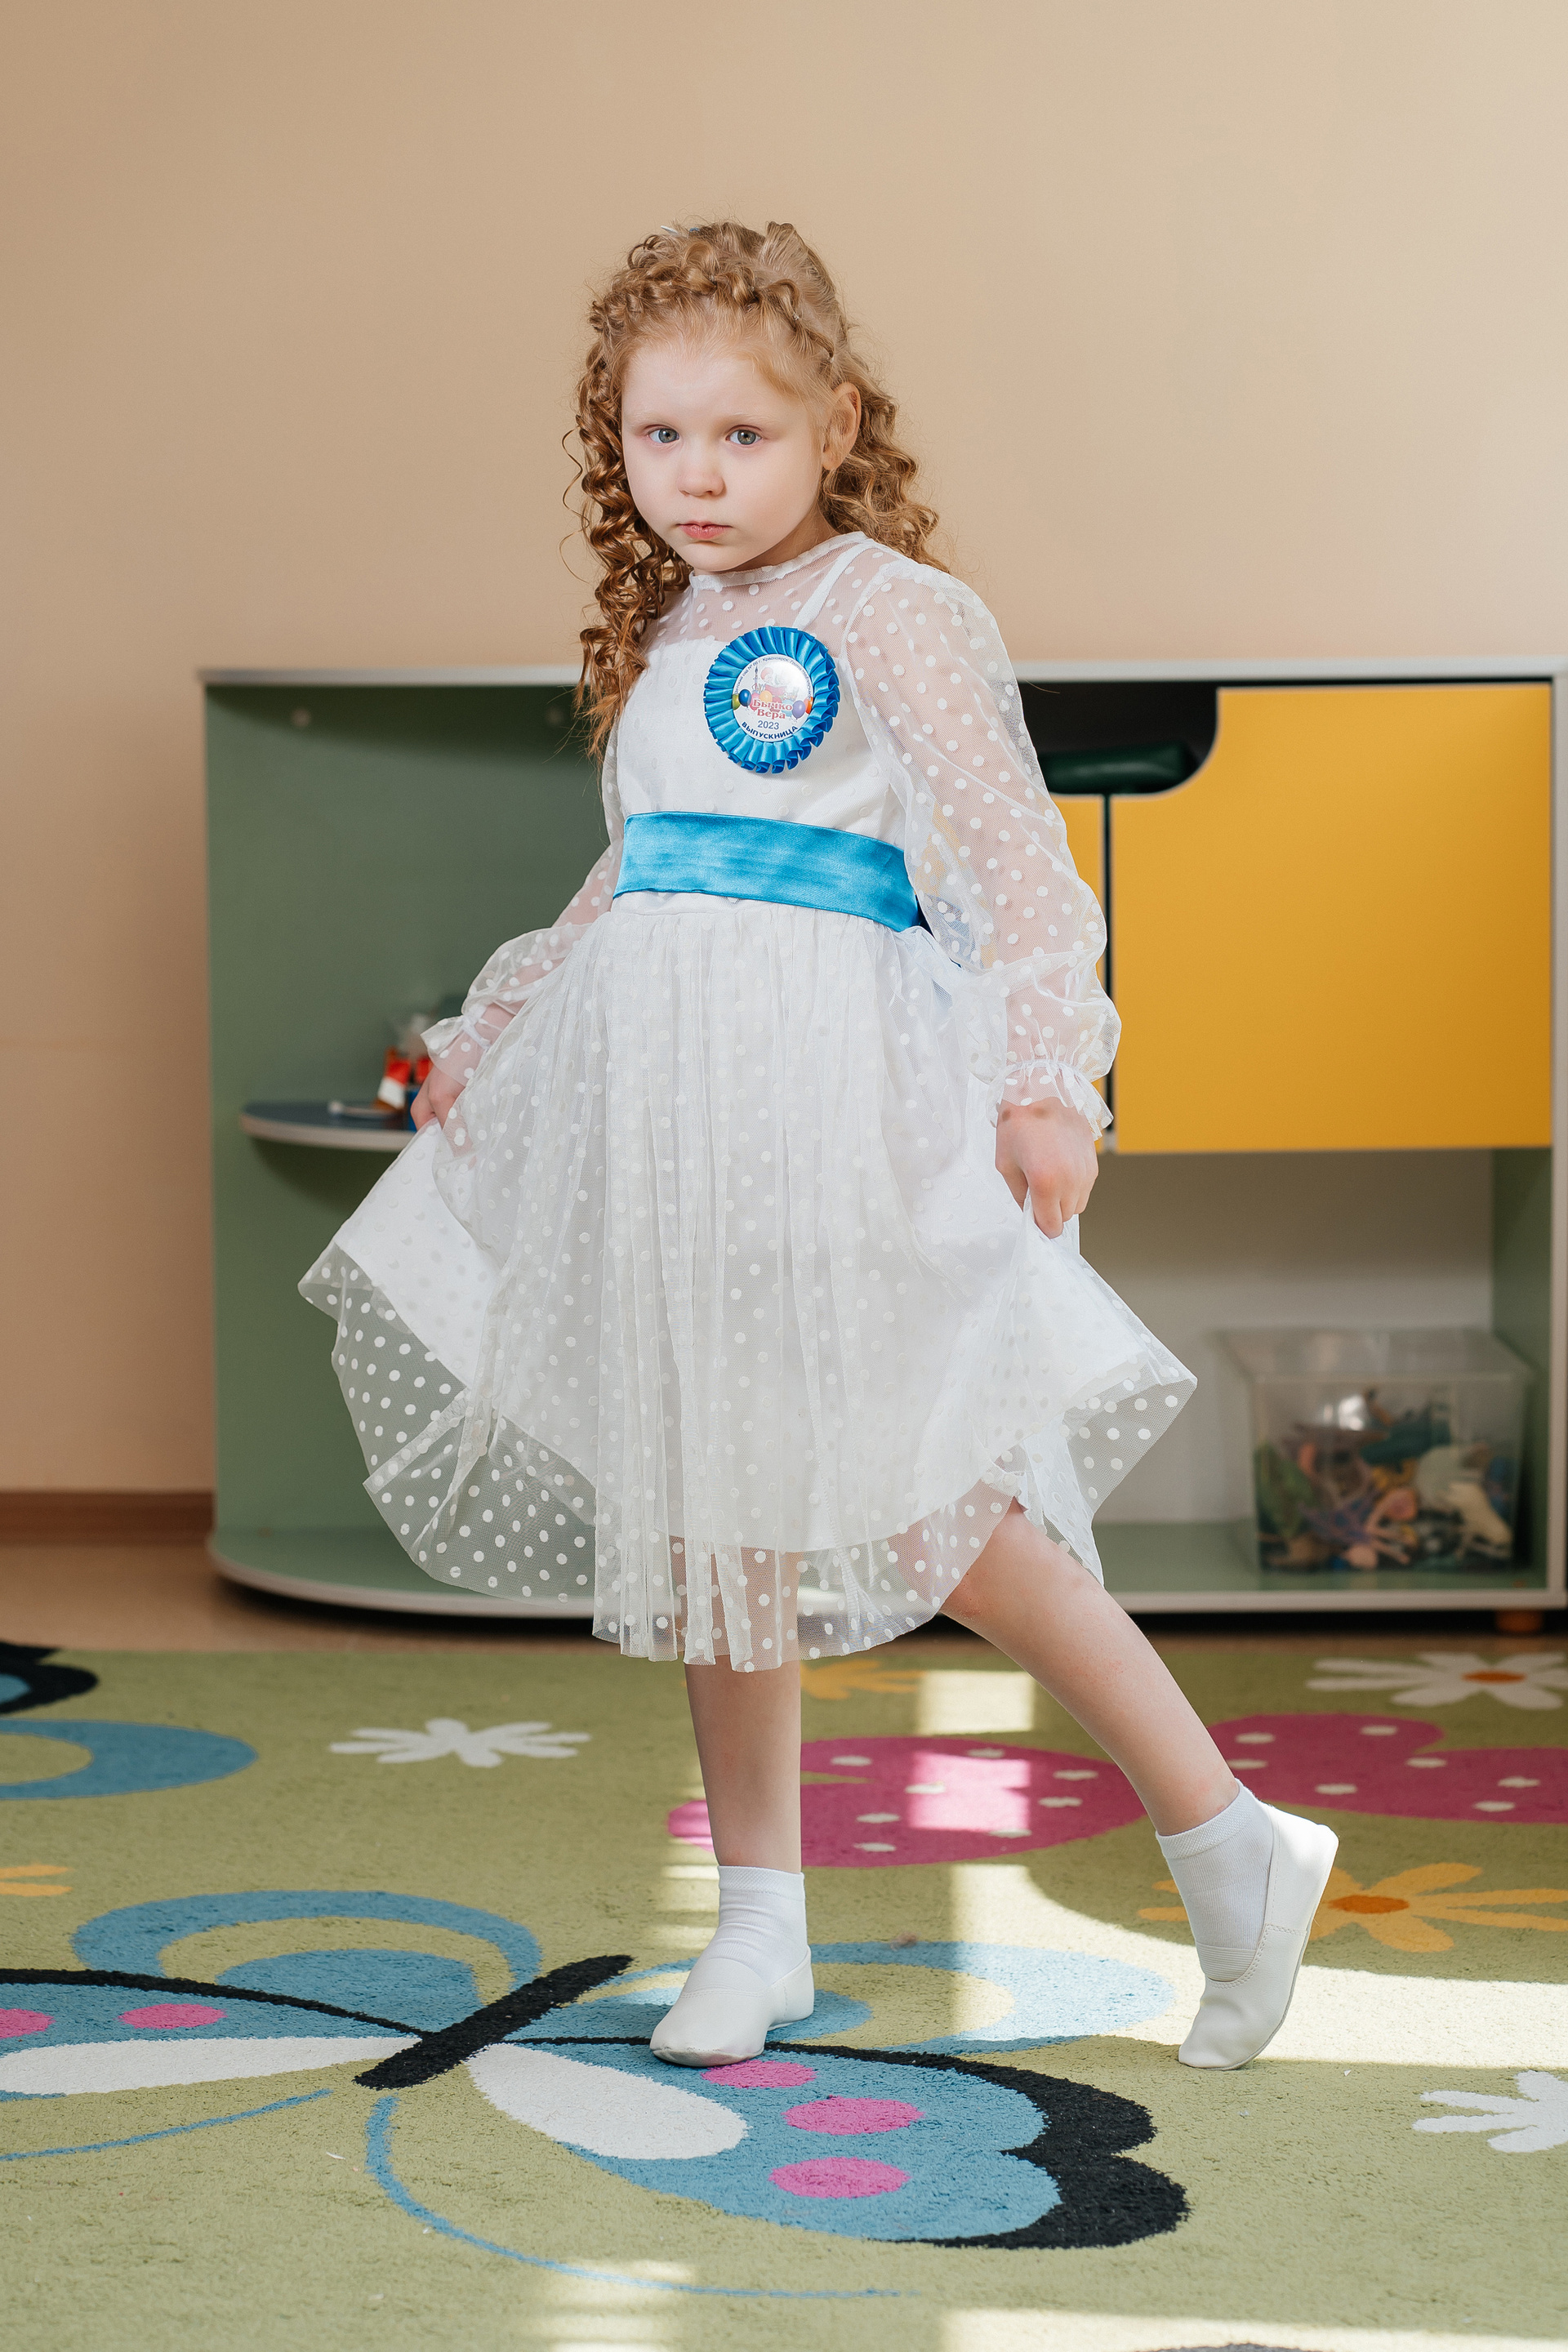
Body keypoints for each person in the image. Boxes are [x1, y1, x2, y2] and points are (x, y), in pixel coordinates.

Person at [301, 220, 1336, 2076]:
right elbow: (639, 875)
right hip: (684, 1132)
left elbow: (1017, 864)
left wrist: (1051, 1082)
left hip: (838, 1120)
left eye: (743, 437)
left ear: (836, 427)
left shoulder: (894, 614)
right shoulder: (671, 631)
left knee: (942, 1510)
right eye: (658, 438)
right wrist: (500, 1031)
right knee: (718, 1507)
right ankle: (759, 1923)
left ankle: (1226, 1835)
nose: (696, 478)